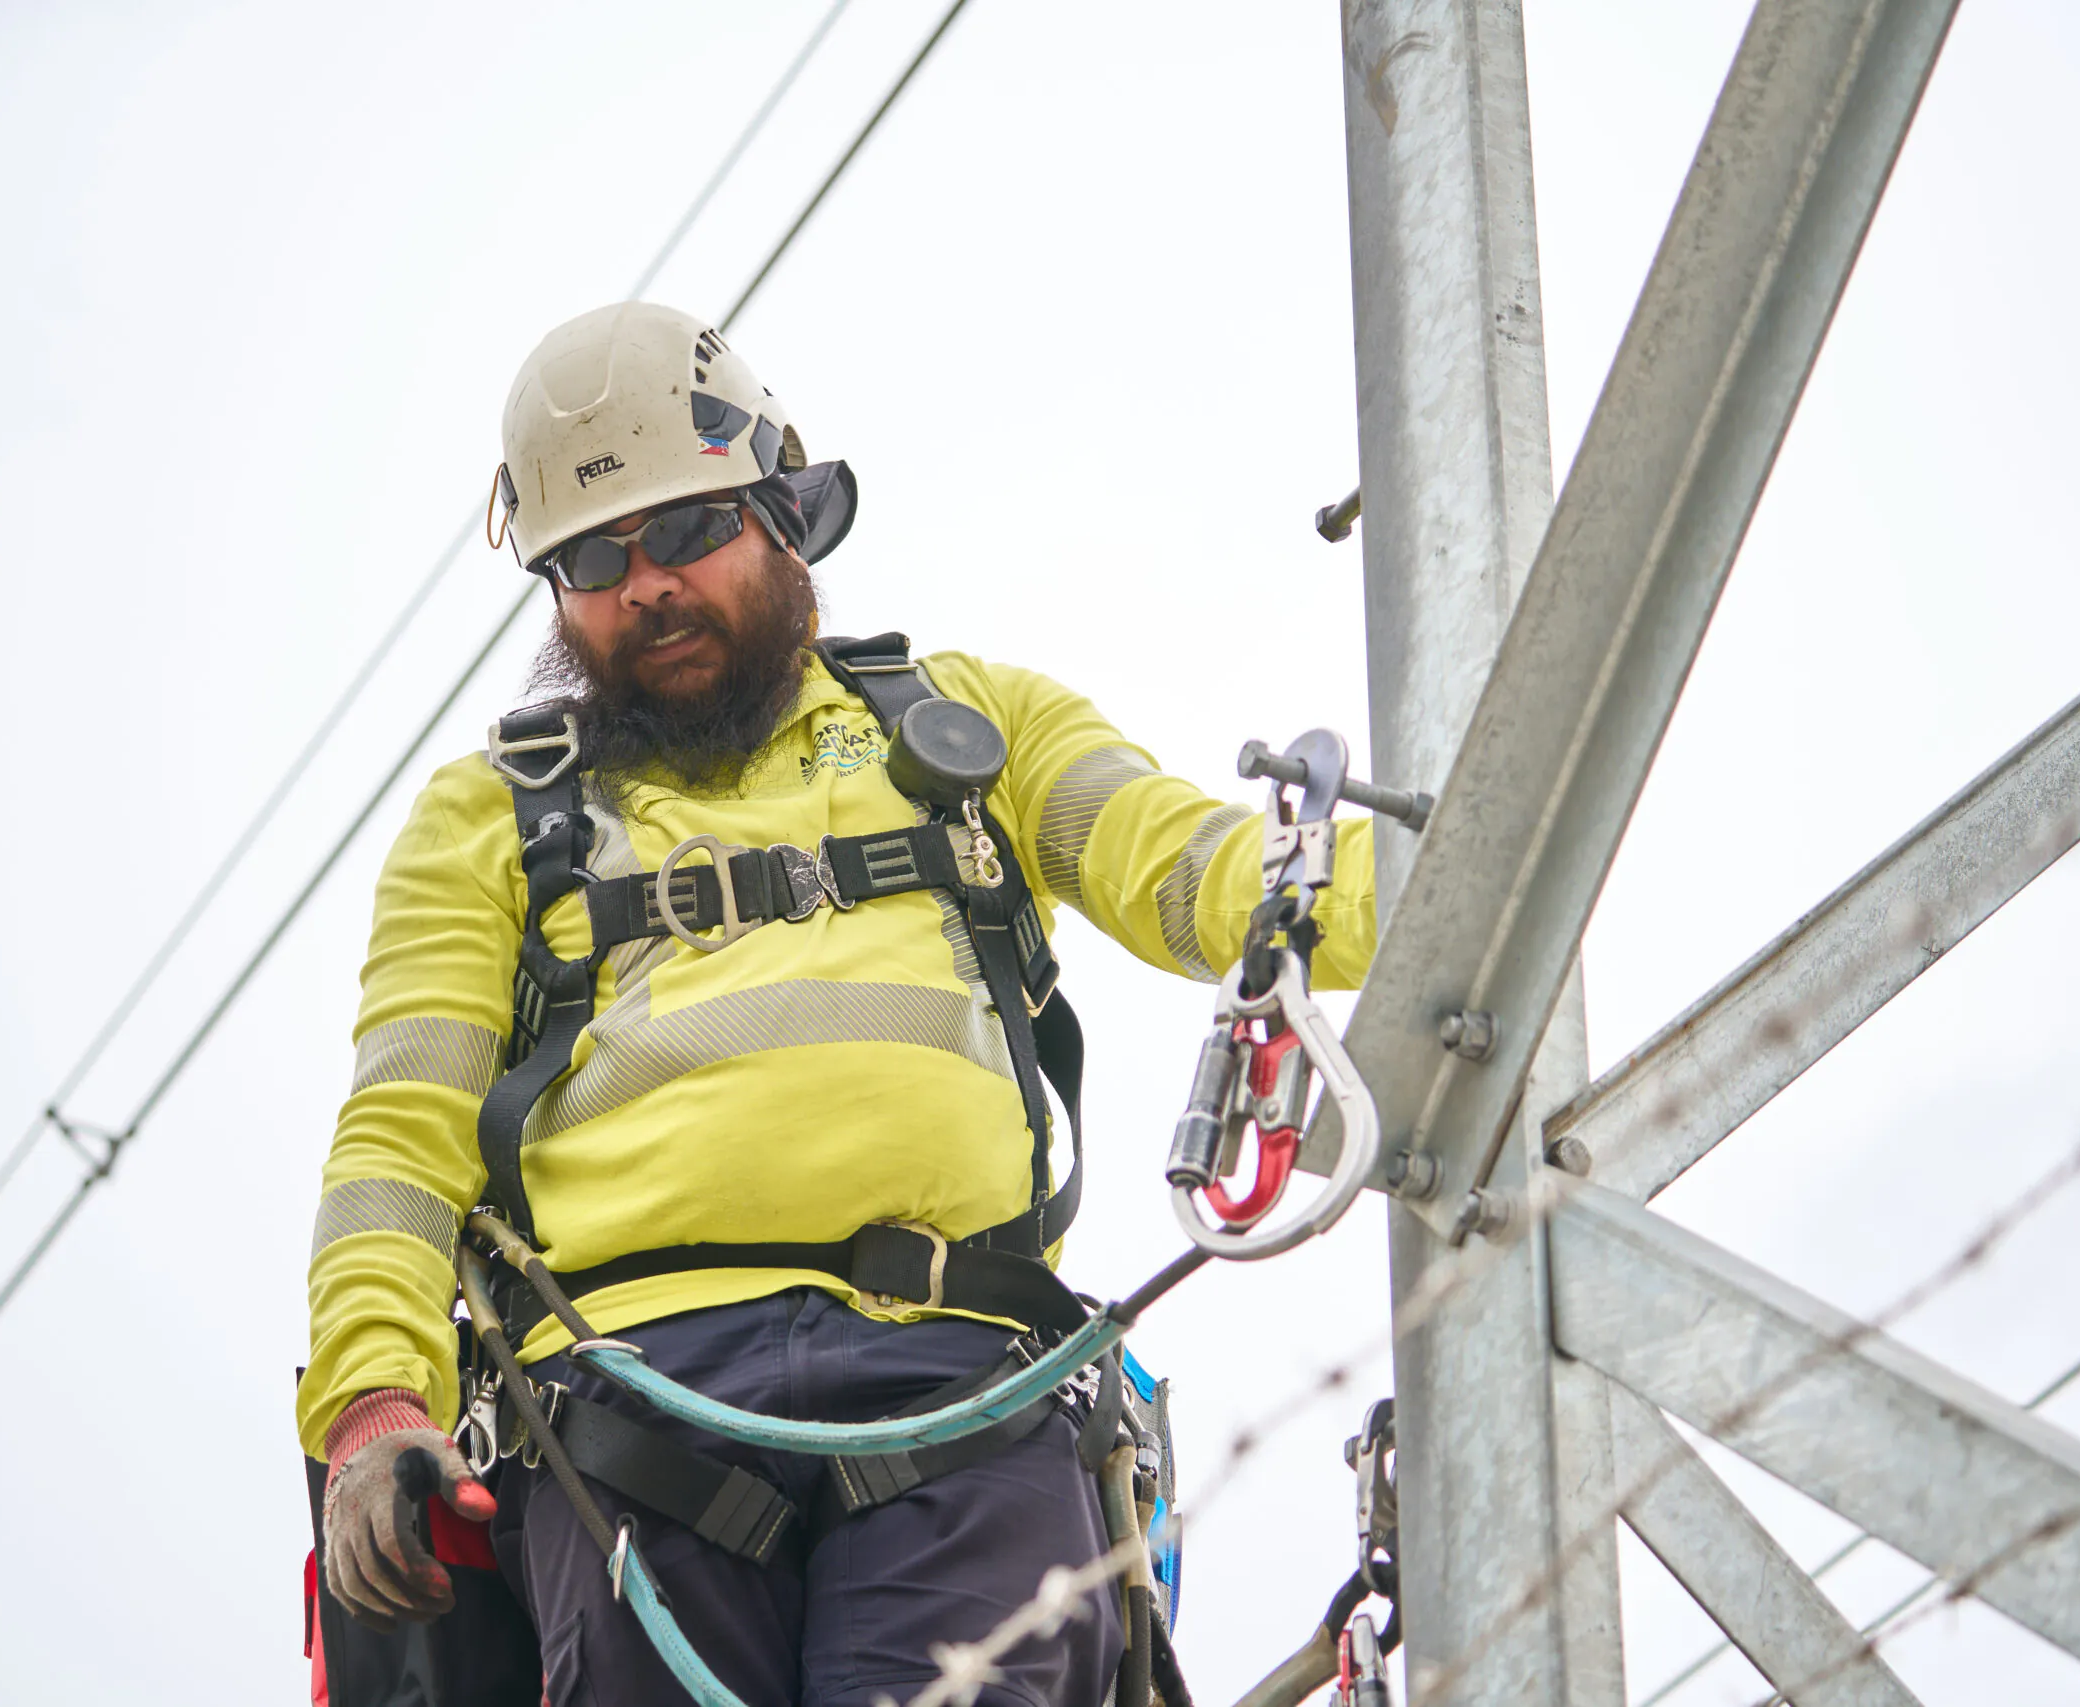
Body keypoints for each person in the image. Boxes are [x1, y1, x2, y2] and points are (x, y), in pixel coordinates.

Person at [298, 300, 1378, 1707]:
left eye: (685, 533)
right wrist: (375, 1401)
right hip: (628, 1408)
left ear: (781, 509)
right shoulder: (487, 819)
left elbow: (1209, 878)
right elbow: (400, 1140)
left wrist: (1476, 849)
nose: (647, 588)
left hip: (957, 1377)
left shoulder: (964, 733)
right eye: (593, 558)